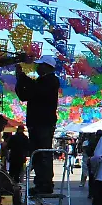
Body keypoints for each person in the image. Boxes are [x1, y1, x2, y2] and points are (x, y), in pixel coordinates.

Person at [16, 58, 61, 195]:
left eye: (40, 65)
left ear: (47, 67)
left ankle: (46, 182)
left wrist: (23, 77)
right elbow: (25, 95)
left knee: (43, 152)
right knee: (37, 153)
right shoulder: (40, 82)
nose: (37, 67)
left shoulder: (51, 81)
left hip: (44, 123)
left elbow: (36, 90)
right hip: (35, 122)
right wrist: (19, 80)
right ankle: (40, 182)